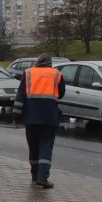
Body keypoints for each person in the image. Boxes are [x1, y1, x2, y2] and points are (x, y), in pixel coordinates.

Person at [13, 53, 65, 189]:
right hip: (49, 118)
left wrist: (16, 116)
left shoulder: (28, 73)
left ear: (37, 62)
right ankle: (42, 178)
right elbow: (61, 93)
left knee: (33, 148)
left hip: (31, 117)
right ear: (50, 63)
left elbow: (20, 96)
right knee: (45, 147)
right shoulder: (56, 74)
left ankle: (35, 176)